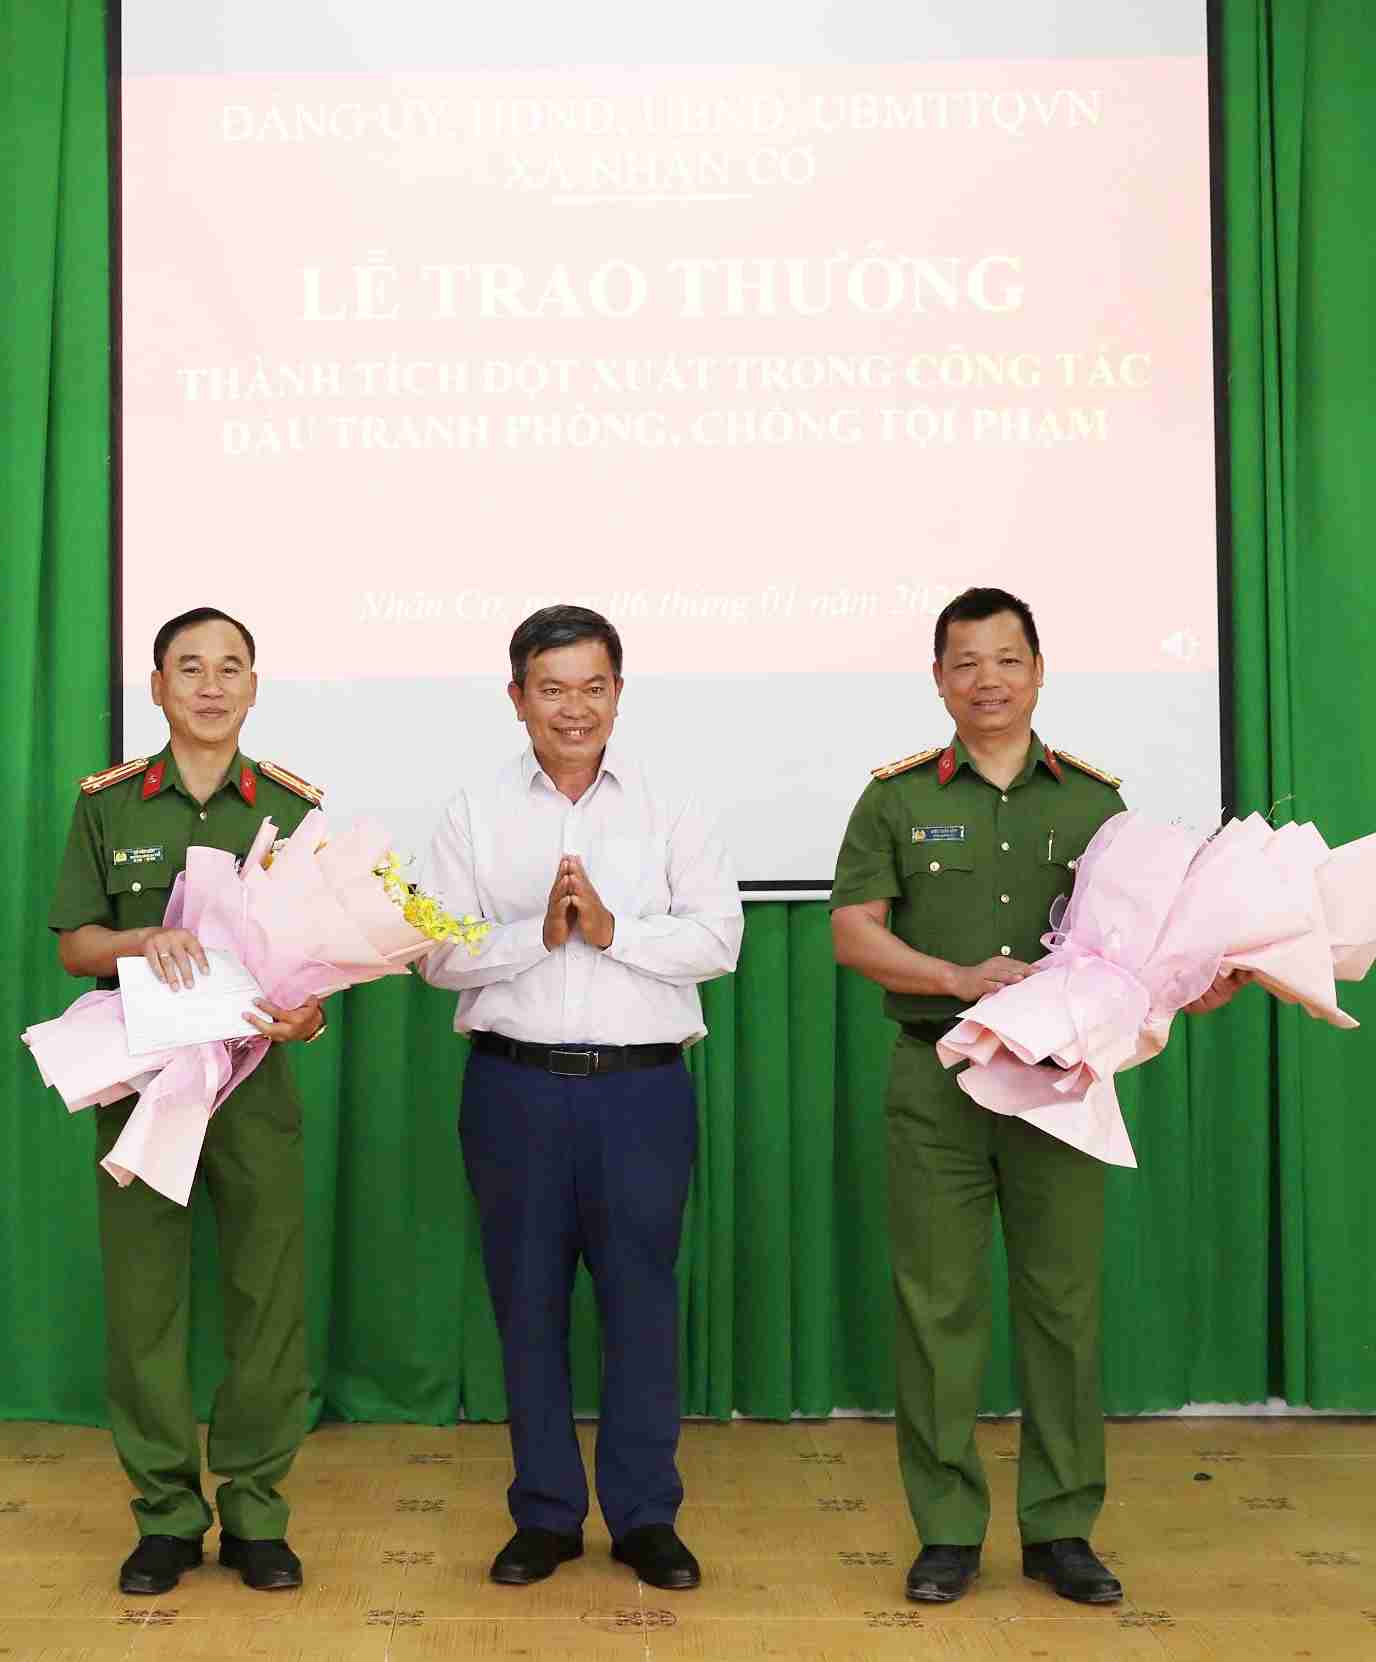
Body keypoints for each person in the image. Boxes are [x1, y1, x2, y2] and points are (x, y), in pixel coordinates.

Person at [828, 586, 1240, 1609]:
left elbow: (1136, 951)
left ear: (1039, 671)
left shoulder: (1093, 803)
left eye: (1007, 660)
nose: (987, 682)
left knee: (1061, 1307)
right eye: (964, 663)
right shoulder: (895, 798)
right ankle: (947, 1531)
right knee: (937, 1309)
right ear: (937, 679)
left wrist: (1197, 986)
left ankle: (1061, 1528)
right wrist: (955, 978)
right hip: (938, 1077)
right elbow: (853, 933)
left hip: (1060, 1087)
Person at [418, 604, 743, 1592]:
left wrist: (607, 930)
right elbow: (432, 948)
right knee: (526, 1306)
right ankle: (547, 1515)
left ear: (617, 693)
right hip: (513, 1089)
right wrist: (536, 933)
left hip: (639, 1095)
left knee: (643, 1305)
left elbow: (718, 940)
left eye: (592, 687)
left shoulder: (673, 804)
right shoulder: (472, 810)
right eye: (551, 689)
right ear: (517, 698)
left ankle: (646, 1517)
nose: (574, 708)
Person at [48, 607, 330, 1597]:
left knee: (267, 1302)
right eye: (189, 667)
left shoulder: (292, 811)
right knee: (145, 1305)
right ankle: (165, 1515)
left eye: (231, 667)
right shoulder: (111, 805)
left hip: (253, 1089)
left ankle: (257, 1512)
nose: (210, 685)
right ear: (158, 686)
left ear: (254, 686)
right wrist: (137, 944)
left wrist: (306, 1016)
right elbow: (75, 942)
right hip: (142, 1086)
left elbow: (316, 964)